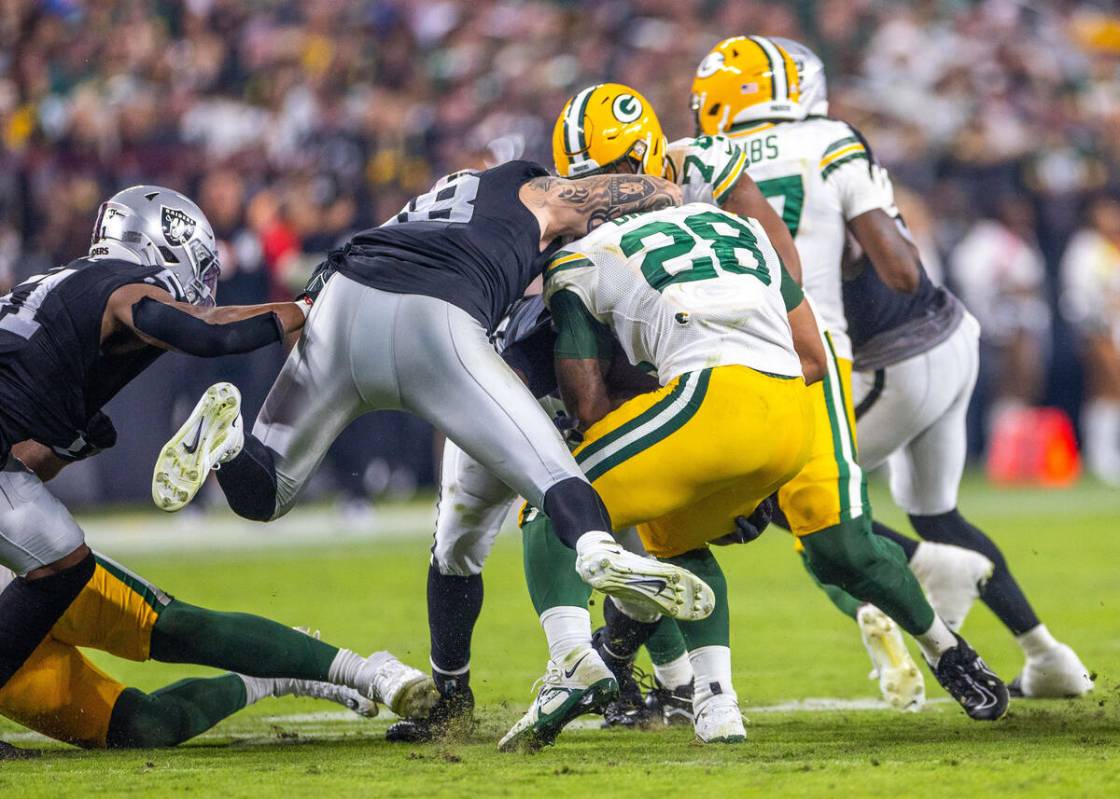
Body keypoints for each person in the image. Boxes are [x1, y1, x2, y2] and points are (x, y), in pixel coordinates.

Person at [154, 163, 714, 624]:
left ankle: (227, 442)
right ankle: (598, 550)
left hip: (343, 301)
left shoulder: (436, 200)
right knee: (553, 474)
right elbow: (640, 192)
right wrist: (676, 193)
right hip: (436, 316)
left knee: (265, 493)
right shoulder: (536, 188)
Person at [0, 186, 438, 749]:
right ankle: (293, 675)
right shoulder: (117, 289)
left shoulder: (64, 306)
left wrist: (66, 444)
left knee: (157, 656)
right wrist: (305, 308)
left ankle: (334, 670)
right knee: (132, 701)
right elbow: (208, 332)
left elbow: (29, 461)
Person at [500, 199, 825, 748]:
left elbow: (587, 406)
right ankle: (716, 702)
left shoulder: (578, 256)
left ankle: (574, 664)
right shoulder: (736, 226)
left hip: (707, 402)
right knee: (675, 534)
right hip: (794, 421)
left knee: (551, 498)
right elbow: (812, 354)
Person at [1062, 192, 1120, 487]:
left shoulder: (1112, 248)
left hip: (1115, 327)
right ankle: (1100, 456)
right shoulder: (1085, 249)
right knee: (1106, 388)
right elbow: (1078, 294)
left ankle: (1109, 453)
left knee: (1115, 391)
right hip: (1097, 328)